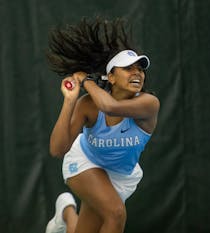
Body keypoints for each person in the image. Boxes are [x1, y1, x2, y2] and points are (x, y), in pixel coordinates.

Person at [45, 17, 160, 233]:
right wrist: (70, 101)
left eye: (140, 69)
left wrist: (86, 80)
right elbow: (57, 149)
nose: (137, 72)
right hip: (85, 162)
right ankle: (67, 213)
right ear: (111, 77)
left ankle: (66, 213)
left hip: (120, 175)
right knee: (116, 213)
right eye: (128, 68)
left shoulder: (149, 104)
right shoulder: (87, 105)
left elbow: (111, 107)